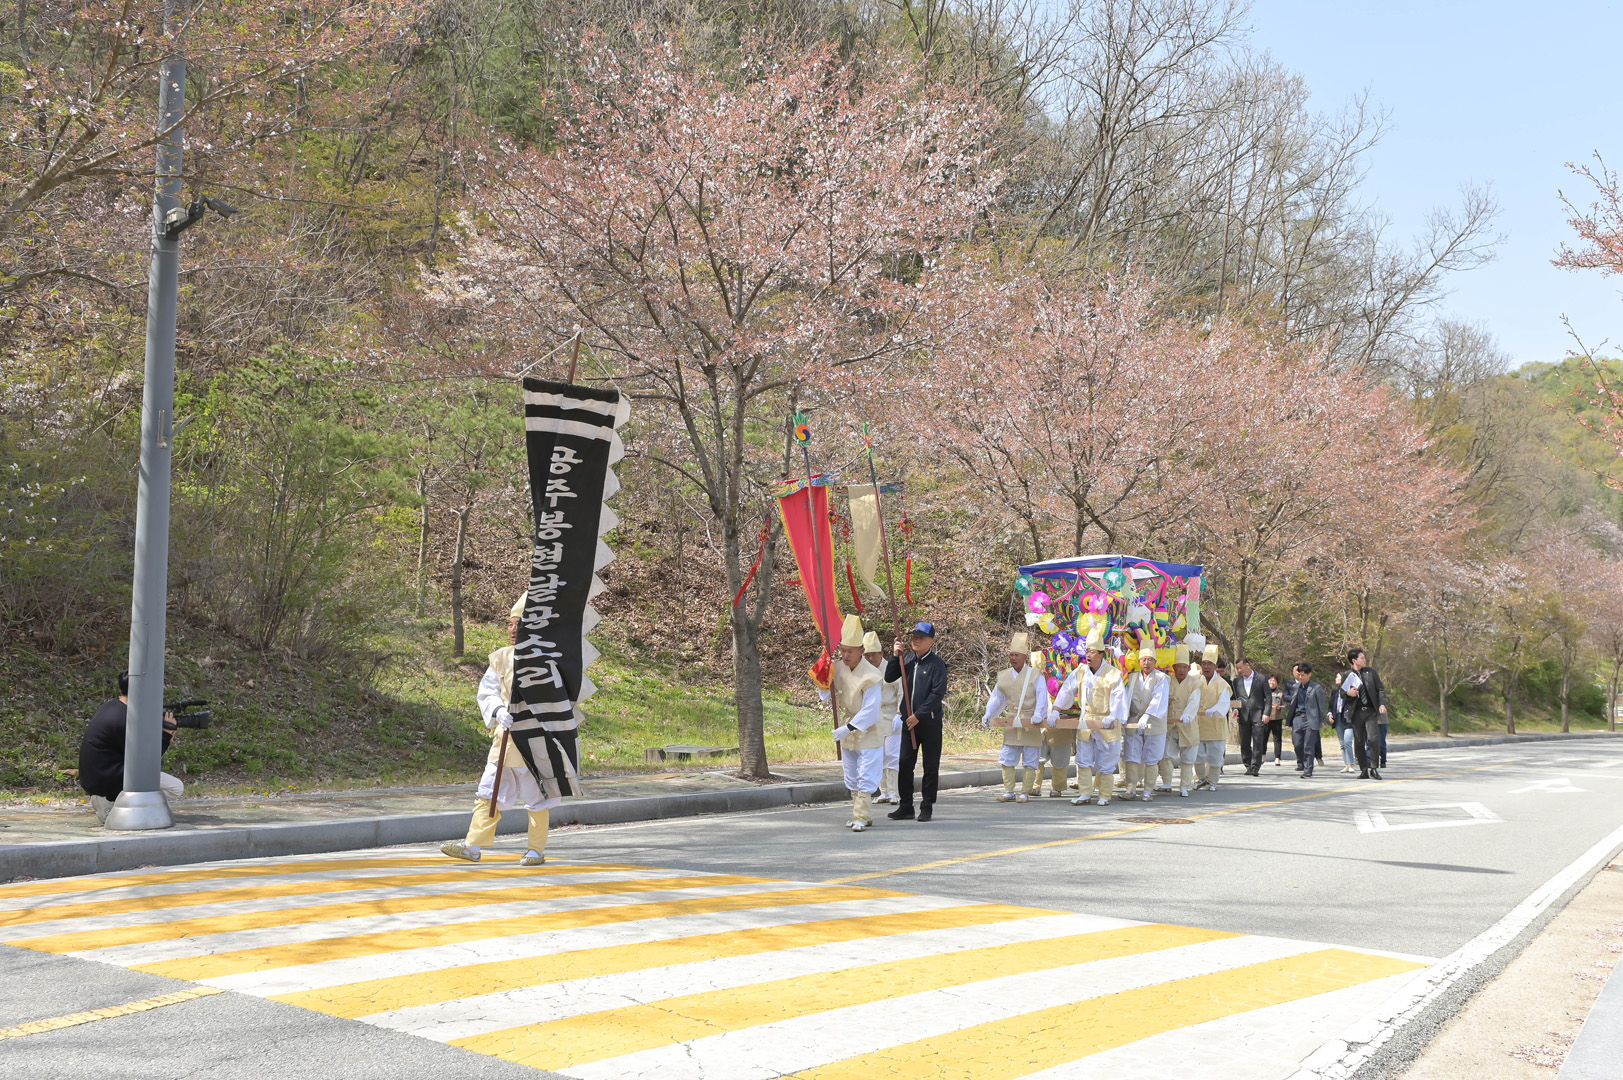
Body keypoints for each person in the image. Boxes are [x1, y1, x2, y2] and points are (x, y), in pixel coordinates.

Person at [442, 593, 555, 866]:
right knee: (489, 790)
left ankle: (536, 850)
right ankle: (472, 846)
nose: (513, 629)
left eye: (519, 624)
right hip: (504, 738)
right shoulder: (501, 658)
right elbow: (488, 691)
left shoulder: (545, 660)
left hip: (532, 742)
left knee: (536, 796)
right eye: (510, 624)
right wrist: (497, 711)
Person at [78, 671, 185, 824]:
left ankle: (114, 802)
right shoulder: (127, 719)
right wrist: (166, 735)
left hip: (98, 777)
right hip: (107, 780)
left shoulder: (113, 707)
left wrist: (165, 736)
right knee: (176, 787)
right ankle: (113, 805)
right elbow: (147, 761)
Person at [1054, 628, 1126, 806]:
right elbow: (1067, 690)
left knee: (1107, 760)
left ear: (1101, 654)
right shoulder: (1080, 671)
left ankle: (1104, 795)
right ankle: (1085, 793)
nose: (1088, 655)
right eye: (1087, 651)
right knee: (1084, 759)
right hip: (1086, 720)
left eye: (1092, 652)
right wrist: (1056, 709)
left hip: (1106, 721)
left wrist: (1113, 716)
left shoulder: (1113, 673)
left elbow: (1119, 697)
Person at [886, 621, 949, 822]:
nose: (916, 640)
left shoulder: (937, 664)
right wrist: (895, 656)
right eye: (914, 636)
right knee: (904, 764)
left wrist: (918, 715)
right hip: (908, 723)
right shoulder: (908, 659)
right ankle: (906, 806)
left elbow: (937, 693)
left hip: (929, 722)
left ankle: (927, 806)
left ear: (931, 641)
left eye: (921, 637)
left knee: (930, 765)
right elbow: (889, 677)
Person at [827, 616, 885, 831]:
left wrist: (848, 728)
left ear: (861, 650)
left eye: (850, 651)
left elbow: (871, 709)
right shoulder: (839, 667)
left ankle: (861, 815)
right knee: (851, 772)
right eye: (843, 650)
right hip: (848, 725)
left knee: (866, 772)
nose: (845, 655)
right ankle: (859, 813)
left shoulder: (872, 675)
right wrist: (823, 679)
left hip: (867, 728)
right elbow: (830, 690)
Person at [981, 632, 1050, 802]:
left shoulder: (1035, 675)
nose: (1013, 658)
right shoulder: (1004, 675)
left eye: (1017, 655)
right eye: (1011, 655)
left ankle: (1025, 792)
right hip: (1012, 720)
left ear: (1025, 657)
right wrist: (989, 714)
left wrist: (1039, 714)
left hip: (1030, 720)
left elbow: (1042, 696)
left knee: (1031, 759)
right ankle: (1009, 791)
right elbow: (997, 698)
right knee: (1007, 756)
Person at [1122, 645, 1170, 801]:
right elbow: (1126, 697)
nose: (1146, 663)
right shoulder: (1132, 677)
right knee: (1131, 756)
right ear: (1139, 661)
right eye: (1144, 659)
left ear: (1155, 662)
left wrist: (1147, 715)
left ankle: (1148, 791)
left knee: (1152, 757)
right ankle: (1130, 789)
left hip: (1154, 722)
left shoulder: (1161, 678)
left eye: (1150, 660)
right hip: (1134, 720)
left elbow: (1158, 699)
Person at [865, 632, 904, 805]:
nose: (871, 658)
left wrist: (900, 714)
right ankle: (884, 791)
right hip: (874, 717)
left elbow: (901, 692)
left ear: (881, 653)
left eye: (874, 654)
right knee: (878, 755)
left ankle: (894, 792)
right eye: (867, 655)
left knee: (892, 755)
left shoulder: (891, 668)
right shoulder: (865, 671)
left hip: (892, 714)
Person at [1165, 644, 1204, 796]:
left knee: (1187, 758)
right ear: (1174, 668)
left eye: (1184, 667)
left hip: (1188, 723)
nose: (1181, 670)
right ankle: (1167, 783)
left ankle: (1184, 786)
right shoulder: (1167, 680)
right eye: (1178, 667)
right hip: (1170, 723)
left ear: (1188, 668)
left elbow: (1194, 701)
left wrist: (1187, 715)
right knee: (1165, 755)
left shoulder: (1195, 683)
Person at [1344, 647, 1388, 779]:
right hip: (1356, 713)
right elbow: (1341, 693)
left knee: (1373, 739)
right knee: (1359, 742)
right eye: (1362, 658)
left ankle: (1373, 768)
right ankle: (1363, 770)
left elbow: (1380, 689)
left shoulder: (1371, 672)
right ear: (1354, 660)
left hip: (1370, 712)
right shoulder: (1348, 675)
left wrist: (1382, 704)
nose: (1365, 659)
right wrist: (1348, 693)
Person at [1195, 645, 1232, 790]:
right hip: (1199, 723)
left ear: (1215, 666)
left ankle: (1213, 781)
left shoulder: (1222, 684)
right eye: (1204, 663)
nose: (1206, 666)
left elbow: (1224, 703)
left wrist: (1214, 710)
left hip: (1215, 724)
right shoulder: (1196, 681)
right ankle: (1201, 778)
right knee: (1198, 755)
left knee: (1215, 756)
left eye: (1209, 664)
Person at [1231, 657, 1270, 776]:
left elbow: (1268, 697)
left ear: (1248, 665)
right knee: (1244, 742)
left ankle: (1255, 767)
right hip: (1243, 715)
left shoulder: (1261, 678)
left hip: (1258, 714)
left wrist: (1266, 713)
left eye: (1241, 667)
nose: (1239, 670)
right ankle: (1247, 765)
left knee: (1258, 741)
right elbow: (1234, 698)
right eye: (1237, 668)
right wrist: (1235, 709)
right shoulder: (1236, 682)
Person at [1289, 662, 1328, 778]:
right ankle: (1302, 762)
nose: (1300, 677)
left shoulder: (1316, 688)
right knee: (1297, 744)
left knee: (1308, 746)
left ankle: (1308, 769)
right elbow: (1293, 703)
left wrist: (1321, 720)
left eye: (1303, 675)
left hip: (1311, 719)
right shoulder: (1295, 687)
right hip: (1297, 719)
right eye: (1299, 675)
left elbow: (1321, 706)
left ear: (1309, 674)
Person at [1267, 673, 1290, 766]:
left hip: (1277, 718)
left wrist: (1279, 707)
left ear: (1277, 683)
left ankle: (1277, 757)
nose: (1272, 682)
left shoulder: (1280, 693)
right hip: (1266, 718)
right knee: (1263, 738)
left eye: (1274, 681)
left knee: (1277, 739)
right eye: (1270, 680)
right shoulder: (1264, 692)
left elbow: (1286, 706)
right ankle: (1263, 755)